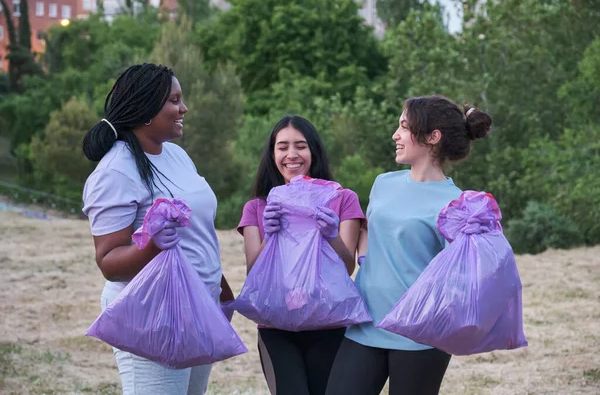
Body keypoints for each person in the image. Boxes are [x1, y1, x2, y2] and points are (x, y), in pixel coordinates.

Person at [81, 63, 233, 395]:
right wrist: (152, 244)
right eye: (174, 100)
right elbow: (108, 261)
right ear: (146, 109)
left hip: (197, 309)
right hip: (153, 314)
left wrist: (220, 293)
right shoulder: (116, 171)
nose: (184, 108)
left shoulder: (177, 157)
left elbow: (197, 234)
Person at [325, 95, 493, 395]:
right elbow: (371, 239)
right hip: (366, 323)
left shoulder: (456, 204)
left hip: (420, 334)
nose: (396, 135)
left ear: (433, 137)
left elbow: (463, 279)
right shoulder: (383, 183)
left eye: (404, 126)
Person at [237, 115, 365, 395]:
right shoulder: (257, 208)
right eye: (282, 147)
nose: (291, 155)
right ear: (272, 154)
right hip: (275, 326)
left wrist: (331, 234)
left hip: (329, 323)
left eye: (301, 146)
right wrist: (270, 236)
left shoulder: (343, 199)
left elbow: (346, 266)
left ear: (314, 151)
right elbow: (254, 272)